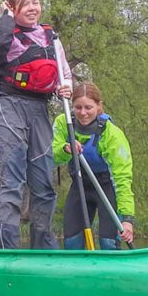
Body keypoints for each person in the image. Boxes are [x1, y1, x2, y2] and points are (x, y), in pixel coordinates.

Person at [0, 0, 73, 249]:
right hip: (8, 106)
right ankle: (4, 248)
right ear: (13, 8)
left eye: (36, 3)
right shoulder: (0, 34)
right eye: (27, 4)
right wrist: (5, 18)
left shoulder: (51, 38)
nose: (34, 8)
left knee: (44, 183)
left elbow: (64, 73)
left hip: (39, 110)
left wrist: (65, 86)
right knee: (13, 181)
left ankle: (43, 248)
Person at [52, 81, 135, 250]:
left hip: (106, 187)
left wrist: (127, 220)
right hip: (80, 185)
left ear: (99, 106)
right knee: (72, 243)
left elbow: (122, 179)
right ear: (72, 107)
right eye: (78, 107)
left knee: (108, 242)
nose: (83, 113)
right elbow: (51, 155)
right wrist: (65, 149)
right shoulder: (64, 123)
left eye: (88, 107)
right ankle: (77, 273)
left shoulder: (111, 134)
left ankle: (113, 272)